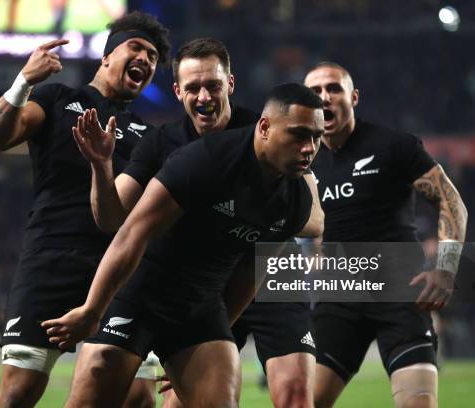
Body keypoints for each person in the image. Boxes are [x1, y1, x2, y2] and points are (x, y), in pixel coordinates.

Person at [66, 37, 321, 407]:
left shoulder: (279, 141)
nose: (204, 96)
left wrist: (219, 333)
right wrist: (101, 169)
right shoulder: (177, 151)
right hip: (148, 287)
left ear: (230, 84)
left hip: (219, 287)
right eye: (193, 87)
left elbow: (301, 227)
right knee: (114, 387)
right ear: (178, 92)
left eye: (213, 85)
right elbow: (119, 225)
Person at [0, 11, 170, 408]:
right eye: (137, 47)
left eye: (153, 58)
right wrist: (25, 81)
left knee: (137, 398)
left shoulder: (148, 137)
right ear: (106, 56)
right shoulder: (57, 99)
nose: (146, 60)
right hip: (50, 259)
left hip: (118, 269)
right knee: (17, 394)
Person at [304, 62, 468, 408]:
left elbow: (452, 202)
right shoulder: (302, 161)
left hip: (400, 296)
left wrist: (446, 267)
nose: (324, 98)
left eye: (333, 88)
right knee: (300, 401)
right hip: (339, 299)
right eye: (315, 92)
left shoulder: (393, 145)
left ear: (354, 97)